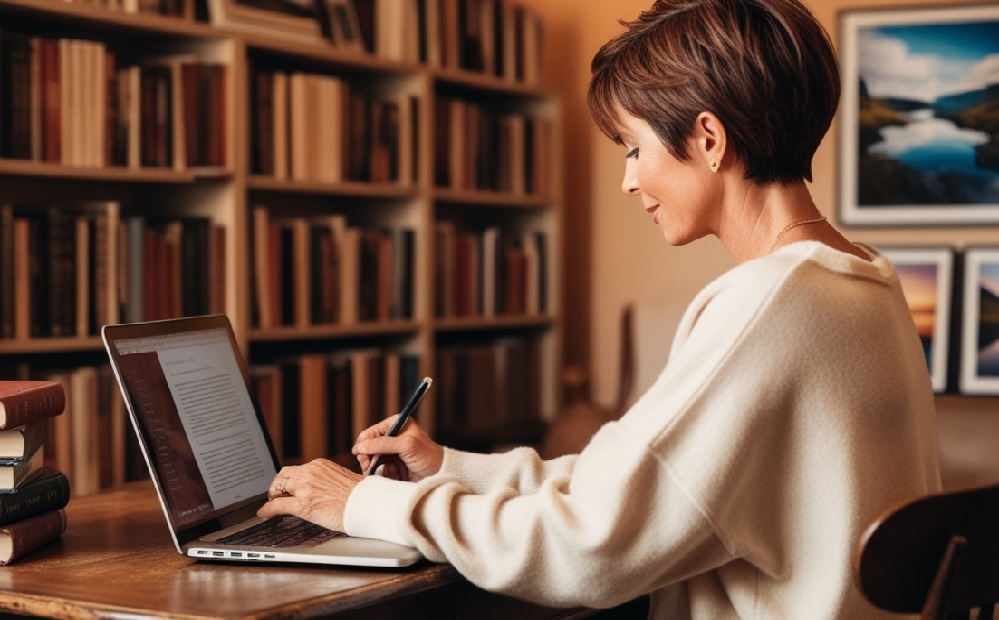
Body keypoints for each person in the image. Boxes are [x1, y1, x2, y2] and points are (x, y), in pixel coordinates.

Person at [257, 0, 942, 616]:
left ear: (707, 138)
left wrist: (363, 503)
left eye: (634, 147)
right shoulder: (864, 283)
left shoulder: (766, 304)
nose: (626, 180)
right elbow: (642, 485)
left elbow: (586, 552)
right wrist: (450, 469)